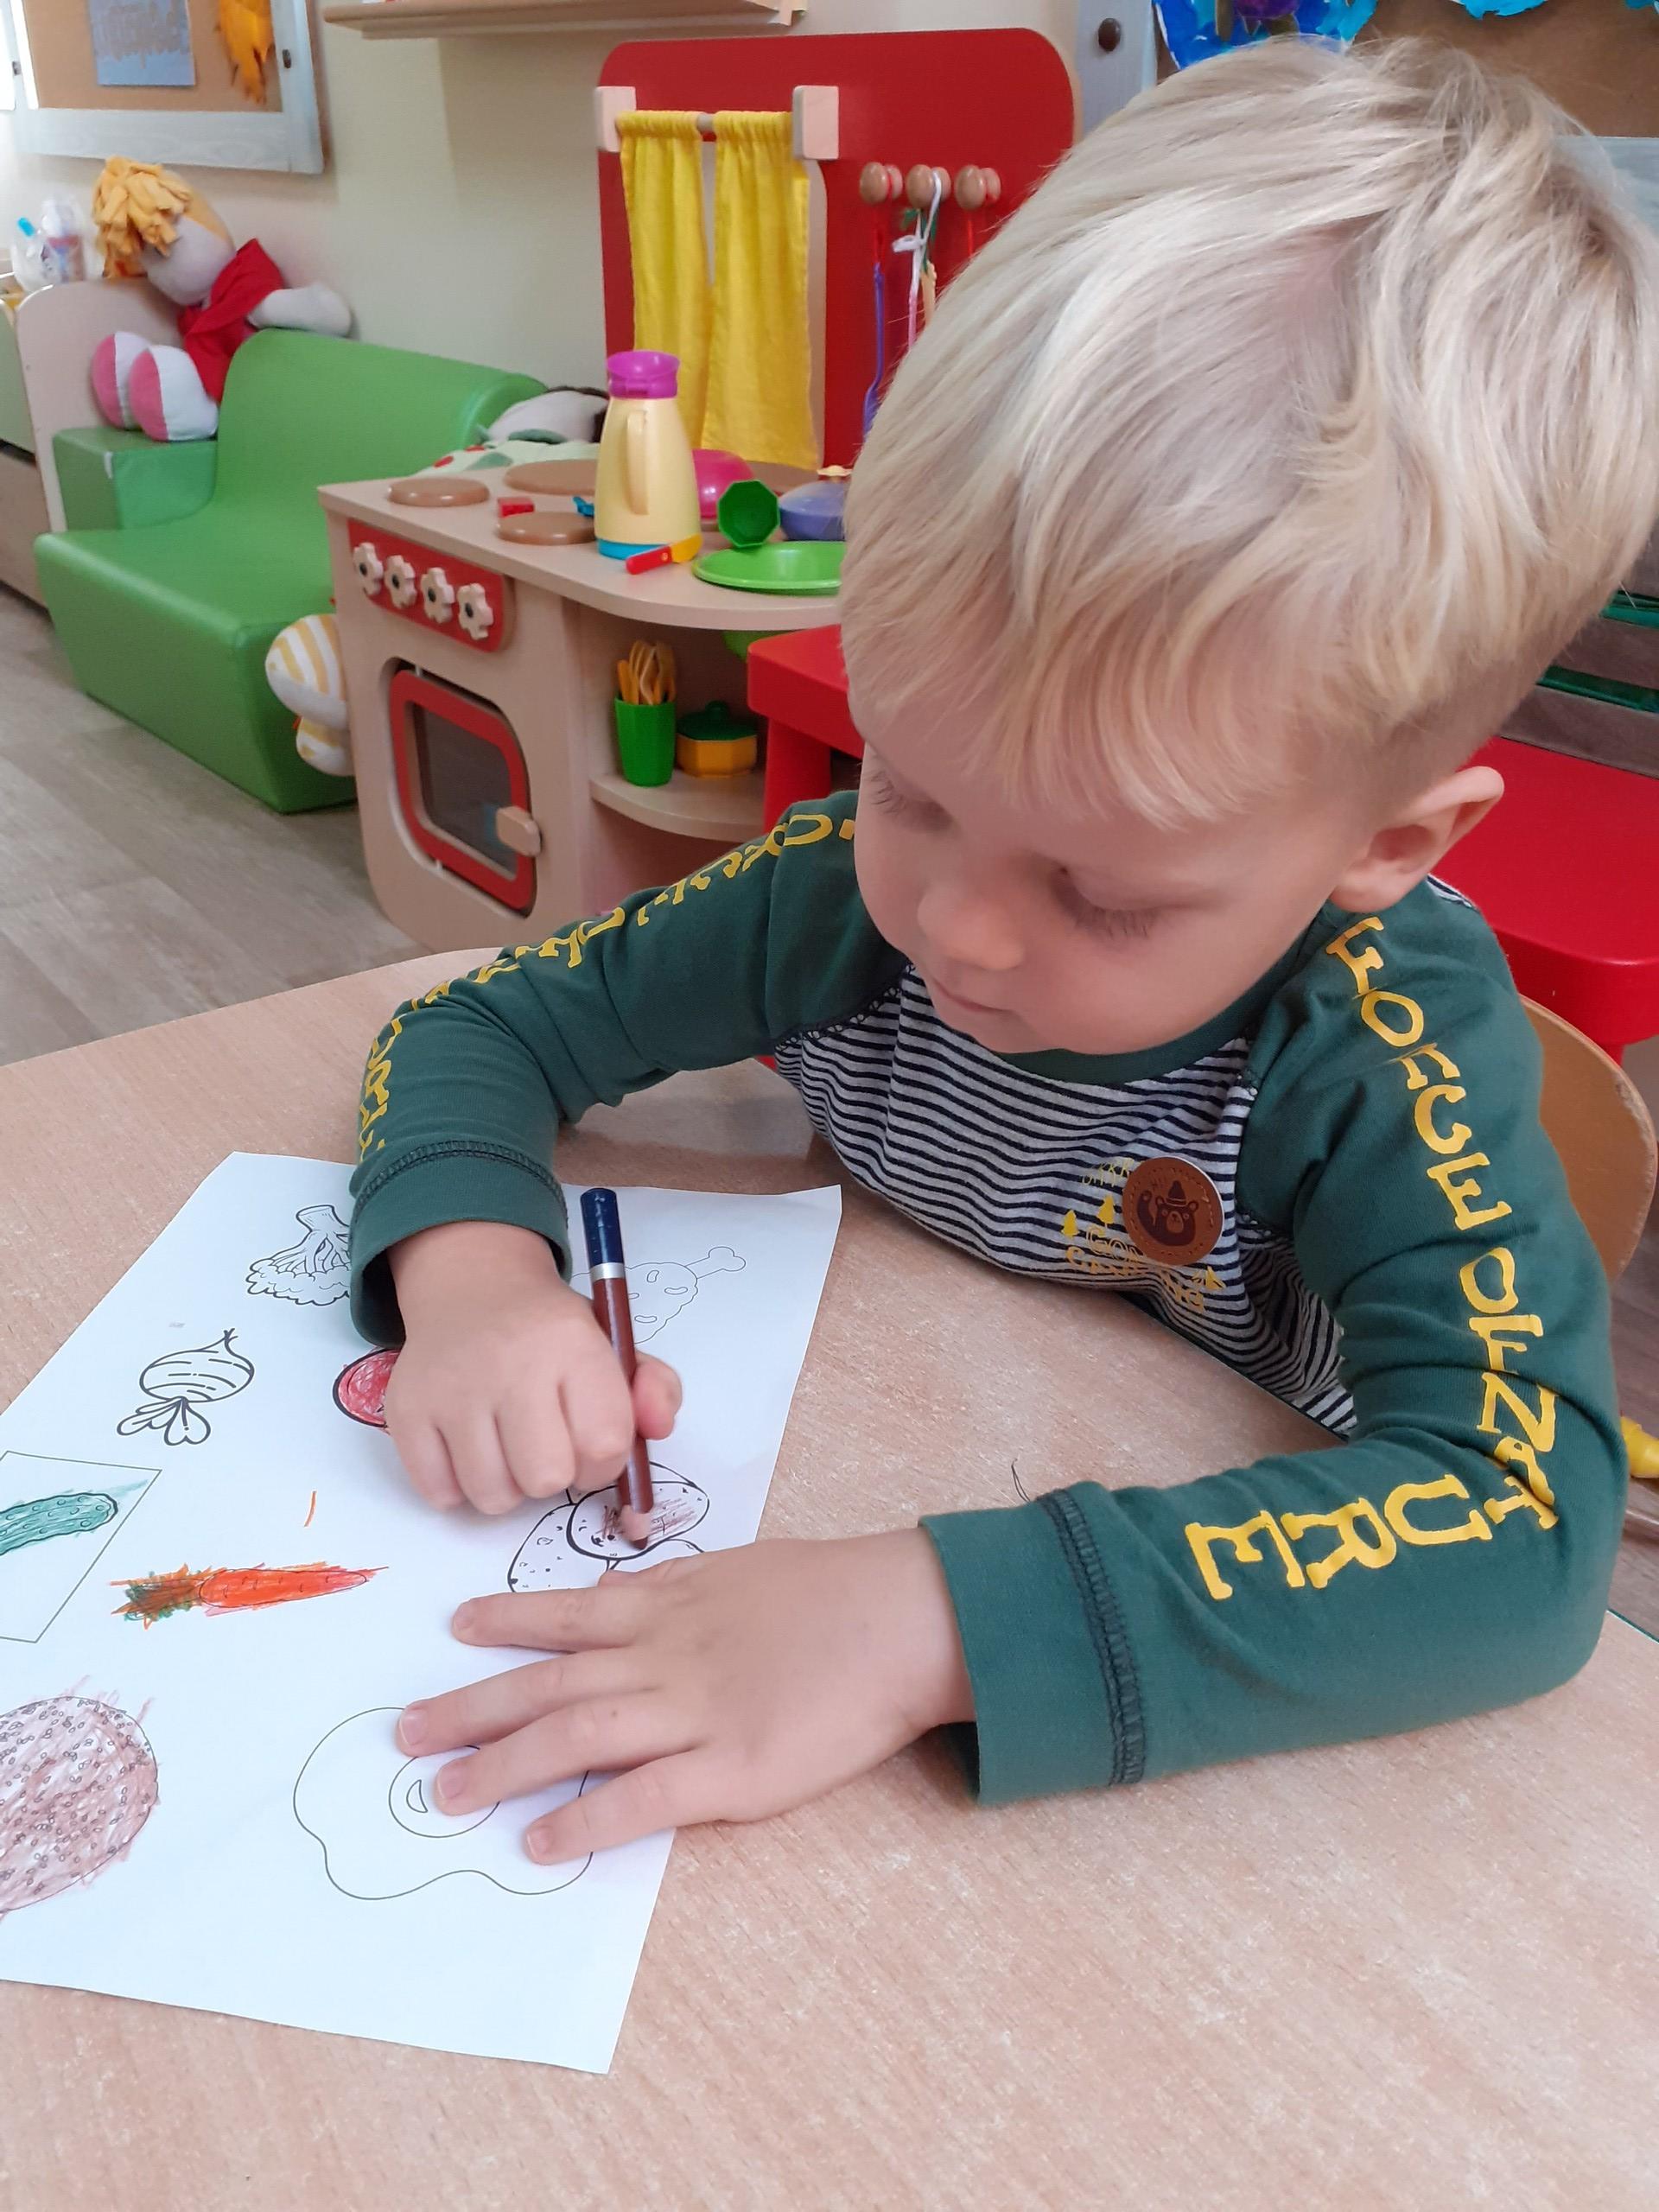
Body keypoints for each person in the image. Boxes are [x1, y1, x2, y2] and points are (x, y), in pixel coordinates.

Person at [348, 41, 1659, 1866]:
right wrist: (477, 1276)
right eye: (908, 781)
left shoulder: (1379, 1045)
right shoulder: (834, 895)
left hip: (1236, 1646)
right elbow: (479, 1029)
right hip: (909, 1390)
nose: (953, 926)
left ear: (1385, 847)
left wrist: (927, 1623)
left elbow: (1525, 1528)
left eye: (1104, 894)